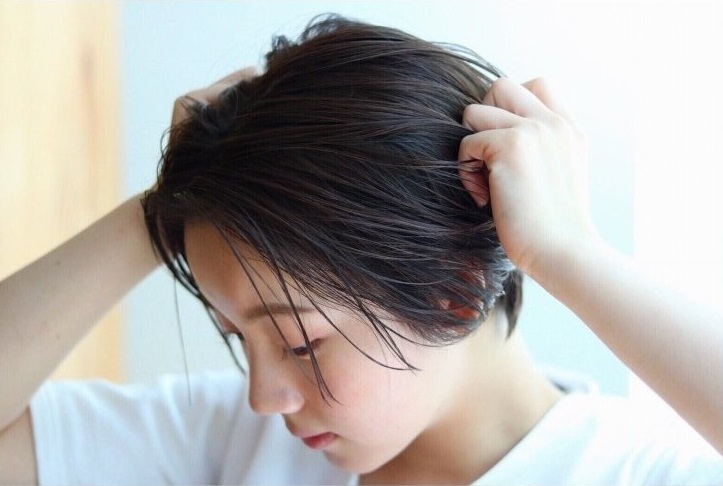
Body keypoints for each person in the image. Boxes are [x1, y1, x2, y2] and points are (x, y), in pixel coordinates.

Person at [1, 14, 722, 485]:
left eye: (300, 342)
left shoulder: (635, 472)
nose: (264, 397)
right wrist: (165, 205)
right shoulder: (233, 444)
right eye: (237, 338)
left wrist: (569, 251)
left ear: (454, 288)